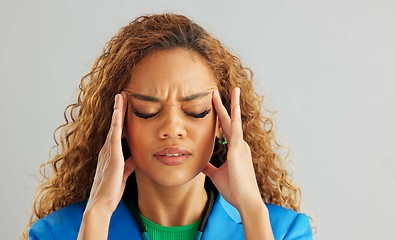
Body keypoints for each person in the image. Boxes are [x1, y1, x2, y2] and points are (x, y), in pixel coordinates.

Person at [25, 13, 313, 240]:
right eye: (147, 111)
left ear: (221, 123)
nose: (172, 128)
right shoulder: (56, 233)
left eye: (196, 111)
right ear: (120, 121)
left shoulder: (284, 231)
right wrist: (97, 217)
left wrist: (252, 212)